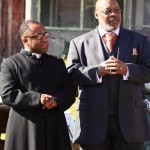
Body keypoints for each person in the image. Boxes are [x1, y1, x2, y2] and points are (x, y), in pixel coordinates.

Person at [66, 0, 150, 149]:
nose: (113, 14)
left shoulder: (140, 40)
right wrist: (97, 71)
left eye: (117, 10)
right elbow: (71, 74)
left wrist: (127, 70)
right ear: (96, 14)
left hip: (130, 121)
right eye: (108, 11)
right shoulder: (79, 43)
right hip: (92, 121)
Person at [0, 20, 75, 150]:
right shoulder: (11, 64)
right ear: (25, 40)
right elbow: (8, 94)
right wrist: (38, 99)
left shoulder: (57, 63)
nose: (45, 39)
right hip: (25, 129)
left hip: (55, 128)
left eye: (46, 35)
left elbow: (70, 91)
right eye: (39, 36)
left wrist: (55, 101)